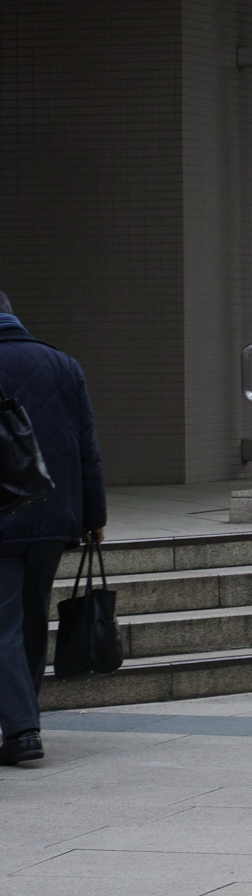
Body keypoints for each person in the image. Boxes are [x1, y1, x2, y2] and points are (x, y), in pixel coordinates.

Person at [0, 290, 105, 767]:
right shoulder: (64, 365)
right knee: (31, 617)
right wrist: (93, 517)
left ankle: (22, 730)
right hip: (53, 515)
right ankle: (24, 719)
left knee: (4, 623)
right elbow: (87, 448)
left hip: (3, 516)